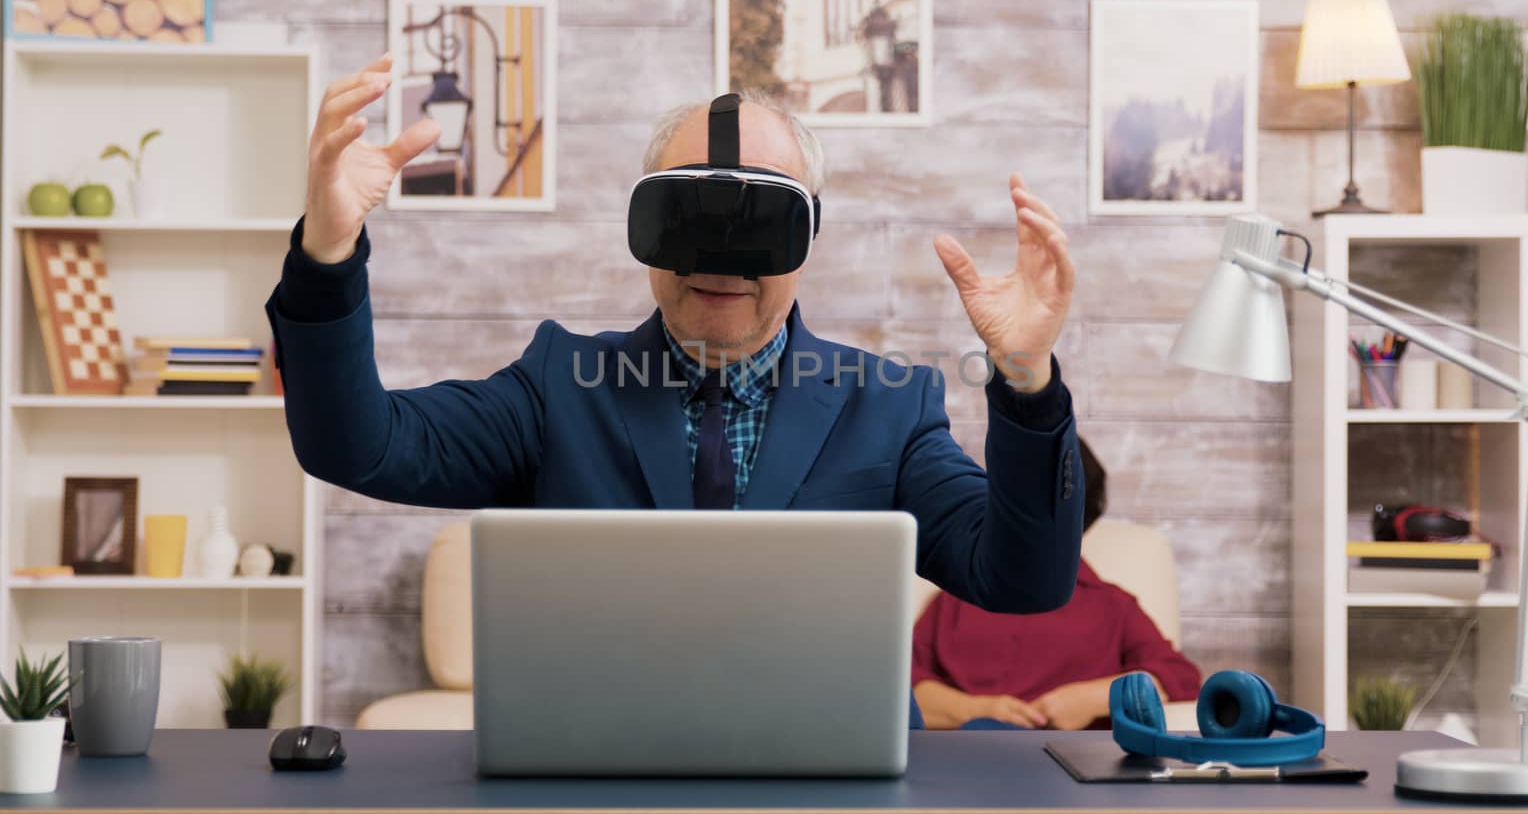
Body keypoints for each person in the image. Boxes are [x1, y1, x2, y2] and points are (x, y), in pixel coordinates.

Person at [264, 54, 1088, 729]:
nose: (719, 260)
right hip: (598, 773)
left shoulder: (888, 404)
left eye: (758, 223)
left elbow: (1025, 580)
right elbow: (356, 444)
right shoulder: (561, 387)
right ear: (646, 229)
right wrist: (328, 252)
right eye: (688, 215)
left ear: (807, 237)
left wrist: (1025, 374)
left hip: (835, 780)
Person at [911, 439, 1201, 730]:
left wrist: (1093, 698)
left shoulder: (1113, 605)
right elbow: (898, 680)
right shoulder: (956, 595)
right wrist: (976, 710)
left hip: (1067, 759)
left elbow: (1179, 678)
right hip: (966, 752)